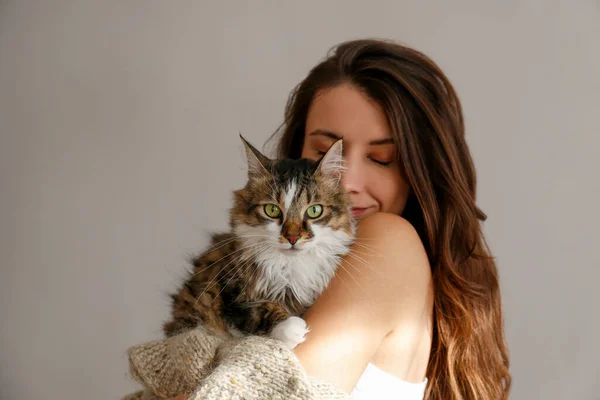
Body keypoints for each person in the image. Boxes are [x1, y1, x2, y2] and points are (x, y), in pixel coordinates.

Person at [173, 38, 511, 400]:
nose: (345, 183)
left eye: (381, 158)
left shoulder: (388, 240)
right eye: (324, 153)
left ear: (422, 172)